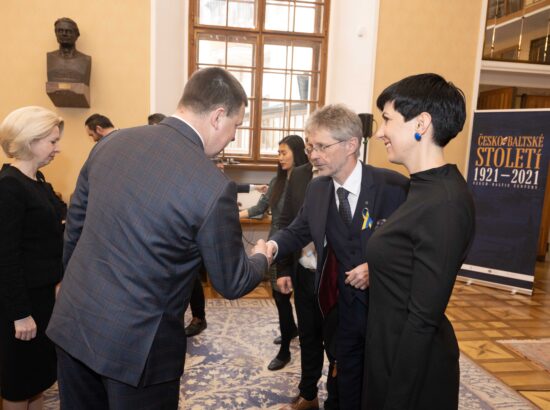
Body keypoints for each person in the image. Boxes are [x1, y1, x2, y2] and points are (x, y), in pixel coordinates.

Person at [46, 67, 269, 409]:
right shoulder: (211, 186)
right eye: (236, 126)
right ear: (217, 116)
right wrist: (263, 257)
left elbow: (74, 228)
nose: (234, 137)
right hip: (137, 349)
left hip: (75, 320)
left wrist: (72, 285)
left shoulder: (111, 143)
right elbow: (231, 281)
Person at [266, 104, 408, 410]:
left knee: (372, 383)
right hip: (334, 306)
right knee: (341, 373)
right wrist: (272, 248)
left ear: (351, 145)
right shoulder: (317, 190)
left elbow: (414, 247)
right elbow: (296, 230)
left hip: (378, 311)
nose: (313, 155)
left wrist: (377, 266)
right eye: (309, 146)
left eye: (321, 146)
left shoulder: (392, 187)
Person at [362, 73, 475, 410]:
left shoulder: (445, 203)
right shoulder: (422, 188)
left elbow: (423, 318)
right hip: (390, 353)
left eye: (387, 119)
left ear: (421, 123)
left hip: (412, 375)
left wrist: (396, 400)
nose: (380, 131)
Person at [0, 106, 65, 410]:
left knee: (37, 379)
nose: (57, 148)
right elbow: (6, 257)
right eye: (52, 141)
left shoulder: (37, 180)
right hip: (21, 302)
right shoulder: (9, 187)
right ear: (30, 140)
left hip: (40, 297)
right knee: (18, 385)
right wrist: (20, 313)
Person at [240, 135, 308, 371]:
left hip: (302, 248)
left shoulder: (309, 182)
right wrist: (230, 215)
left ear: (297, 153)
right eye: (278, 153)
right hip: (276, 246)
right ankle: (286, 346)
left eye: (283, 153)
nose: (279, 158)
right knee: (280, 298)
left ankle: (293, 332)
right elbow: (259, 209)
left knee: (299, 298)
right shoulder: (276, 181)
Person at [47, 18, 91, 85]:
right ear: (55, 33)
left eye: (69, 31)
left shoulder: (85, 59)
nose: (64, 34)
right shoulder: (50, 57)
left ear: (77, 35)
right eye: (60, 31)